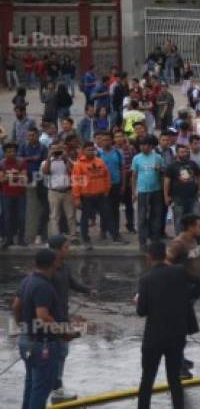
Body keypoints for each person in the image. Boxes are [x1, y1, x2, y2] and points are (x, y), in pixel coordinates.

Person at [13, 249, 75, 409]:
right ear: (54, 262)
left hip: (27, 340)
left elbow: (16, 306)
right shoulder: (43, 286)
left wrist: (23, 326)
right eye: (58, 260)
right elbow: (43, 316)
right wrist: (64, 331)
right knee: (40, 390)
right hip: (43, 345)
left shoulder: (27, 280)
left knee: (31, 384)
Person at [136, 241, 194, 409]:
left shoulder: (146, 279)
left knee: (147, 379)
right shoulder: (179, 271)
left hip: (154, 337)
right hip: (177, 335)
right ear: (165, 255)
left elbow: (141, 311)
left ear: (149, 257)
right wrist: (185, 299)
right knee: (174, 378)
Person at [46, 235, 92, 404]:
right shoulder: (49, 269)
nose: (69, 249)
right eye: (66, 247)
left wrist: (87, 290)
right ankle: (55, 389)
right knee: (57, 352)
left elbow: (72, 283)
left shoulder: (64, 266)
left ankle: (57, 386)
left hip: (63, 316)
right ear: (57, 249)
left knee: (62, 352)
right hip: (52, 319)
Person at [71, 141, 112, 251]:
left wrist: (107, 189)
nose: (91, 151)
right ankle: (85, 239)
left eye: (92, 149)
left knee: (105, 214)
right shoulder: (79, 165)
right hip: (86, 196)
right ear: (83, 151)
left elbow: (106, 176)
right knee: (85, 218)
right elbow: (77, 183)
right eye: (88, 149)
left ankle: (103, 232)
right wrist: (77, 197)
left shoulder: (100, 161)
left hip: (100, 194)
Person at [131, 135, 165, 251]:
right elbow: (134, 176)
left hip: (156, 190)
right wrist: (133, 191)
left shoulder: (158, 157)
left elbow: (163, 174)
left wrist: (159, 169)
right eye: (141, 145)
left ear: (151, 146)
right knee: (142, 216)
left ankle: (154, 239)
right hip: (142, 191)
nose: (143, 147)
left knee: (155, 215)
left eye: (146, 145)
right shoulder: (136, 158)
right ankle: (142, 241)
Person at [163, 143, 200, 235]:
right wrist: (166, 196)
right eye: (181, 152)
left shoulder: (192, 164)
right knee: (179, 220)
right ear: (176, 153)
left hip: (193, 196)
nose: (184, 154)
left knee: (196, 218)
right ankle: (180, 238)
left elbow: (199, 176)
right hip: (178, 197)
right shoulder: (172, 166)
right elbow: (166, 182)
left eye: (185, 152)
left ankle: (197, 238)